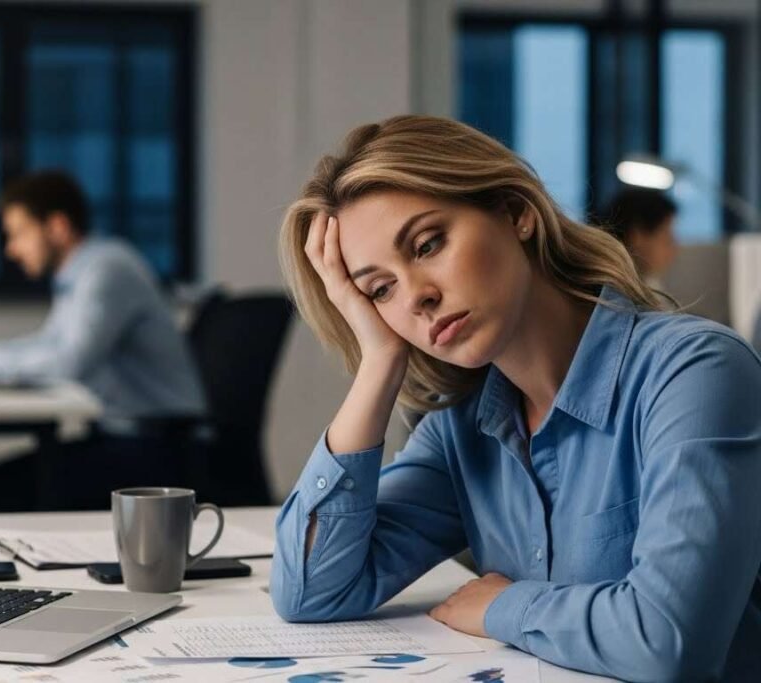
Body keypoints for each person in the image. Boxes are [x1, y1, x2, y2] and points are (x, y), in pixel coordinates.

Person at [271, 116, 761, 681]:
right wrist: (379, 362)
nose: (418, 297)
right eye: (381, 289)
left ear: (516, 213)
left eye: (429, 244)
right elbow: (310, 590)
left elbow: (668, 641)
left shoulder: (694, 373)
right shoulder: (461, 423)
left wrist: (503, 605)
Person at [0, 170, 206, 510]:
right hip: (130, 435)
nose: (12, 250)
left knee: (0, 484)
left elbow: (70, 360)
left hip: (157, 446)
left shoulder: (106, 270)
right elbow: (50, 343)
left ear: (57, 227)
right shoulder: (78, 275)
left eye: (19, 234)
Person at [597, 187, 678, 288]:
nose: (673, 250)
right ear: (637, 235)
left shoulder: (647, 282)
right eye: (666, 238)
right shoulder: (612, 292)